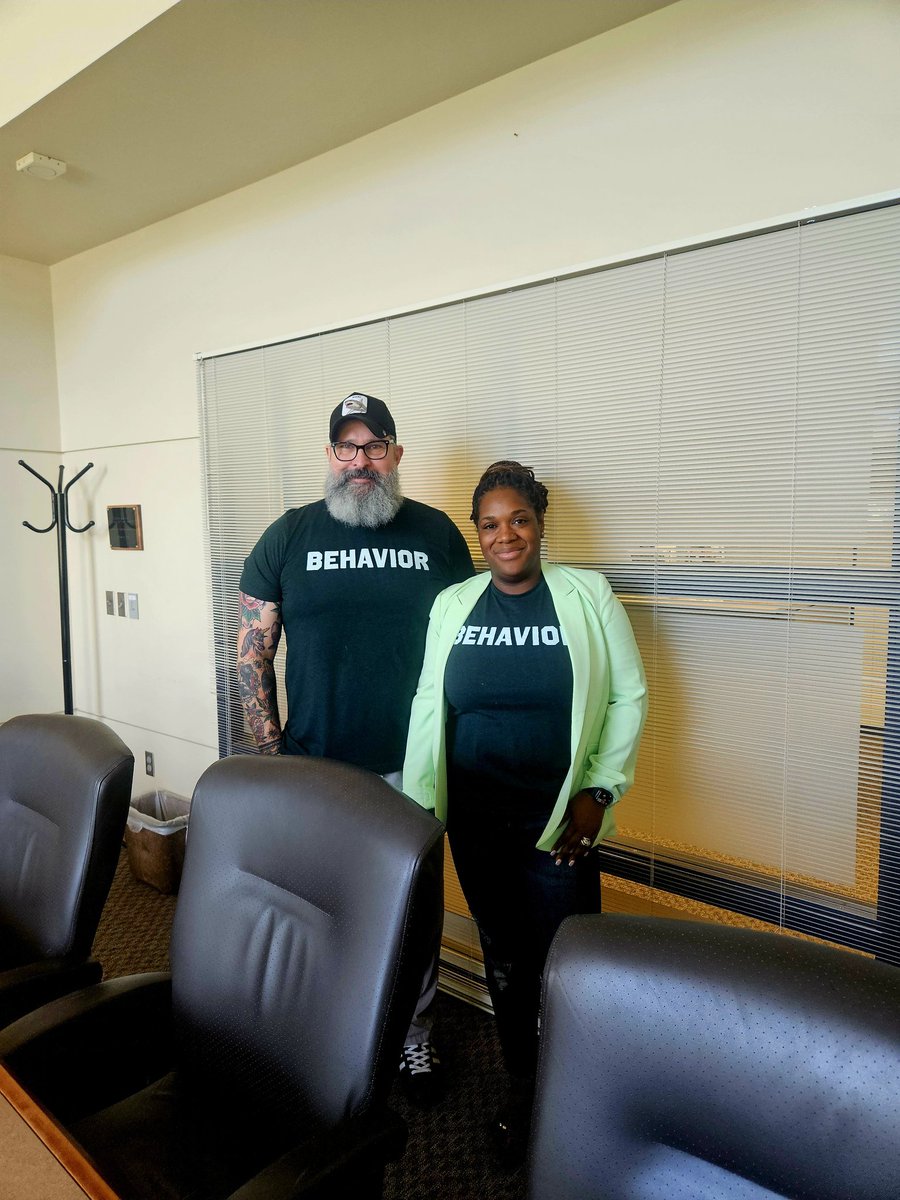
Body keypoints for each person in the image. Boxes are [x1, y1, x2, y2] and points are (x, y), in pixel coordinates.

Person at [402, 460, 647, 1163]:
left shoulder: (587, 595)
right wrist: (422, 806)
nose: (505, 534)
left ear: (540, 525)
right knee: (505, 963)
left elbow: (628, 697)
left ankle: (584, 1100)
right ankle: (524, 1087)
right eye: (490, 524)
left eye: (519, 520)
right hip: (478, 825)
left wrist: (599, 793)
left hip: (560, 828)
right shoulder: (453, 604)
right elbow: (429, 703)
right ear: (477, 534)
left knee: (569, 966)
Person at [237, 391, 475, 1105]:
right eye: (347, 446)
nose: (361, 460)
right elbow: (253, 655)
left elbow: (466, 652)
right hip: (317, 765)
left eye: (375, 447)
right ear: (330, 456)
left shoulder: (437, 535)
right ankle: (322, 1025)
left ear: (398, 455)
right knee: (318, 902)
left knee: (415, 910)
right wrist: (273, 754)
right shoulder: (290, 534)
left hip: (415, 769)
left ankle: (414, 1038)